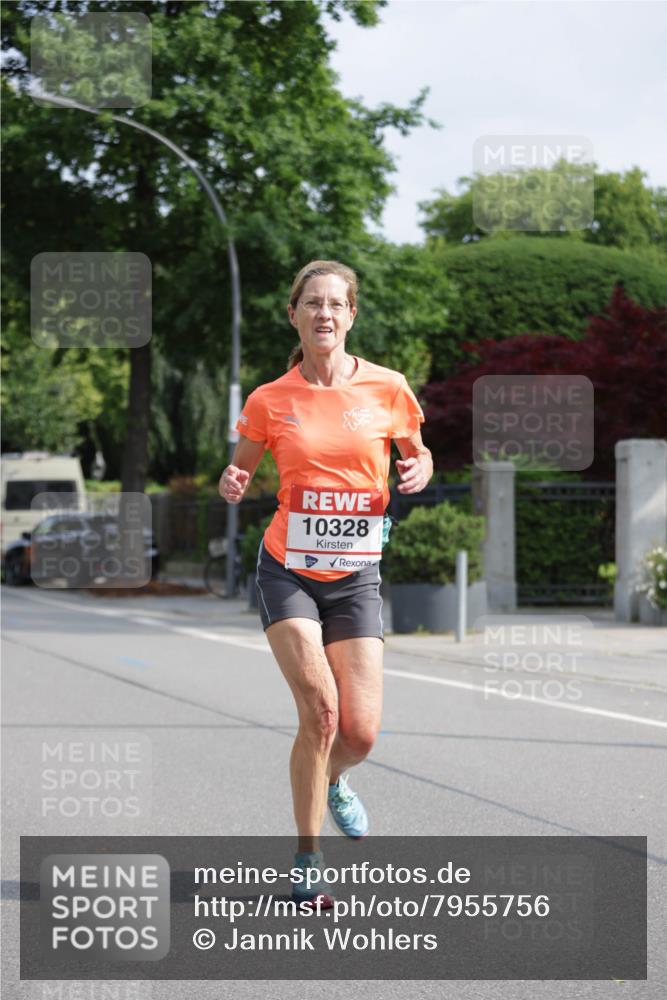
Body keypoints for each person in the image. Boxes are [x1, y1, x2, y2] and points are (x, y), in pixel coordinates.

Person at [219, 260, 432, 908]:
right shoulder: (269, 399)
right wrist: (232, 482)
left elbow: (415, 454)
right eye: (311, 303)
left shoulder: (389, 389)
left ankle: (335, 779)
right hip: (288, 569)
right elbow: (240, 470)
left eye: (335, 304)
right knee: (320, 712)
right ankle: (307, 859)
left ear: (350, 315)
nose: (323, 314)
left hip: (356, 574)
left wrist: (419, 469)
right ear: (294, 314)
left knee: (359, 732)